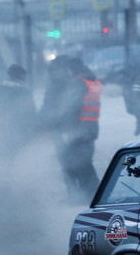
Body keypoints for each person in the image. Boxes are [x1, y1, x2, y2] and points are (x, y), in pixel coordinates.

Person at [39, 56, 102, 202]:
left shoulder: (76, 83)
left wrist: (55, 123)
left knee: (80, 163)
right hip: (75, 130)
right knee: (71, 164)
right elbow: (51, 106)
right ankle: (79, 194)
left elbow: (70, 109)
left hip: (74, 130)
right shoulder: (74, 82)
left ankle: (89, 195)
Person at [0, 64, 37, 142]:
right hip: (21, 127)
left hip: (3, 126)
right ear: (20, 76)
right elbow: (30, 110)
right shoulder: (24, 90)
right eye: (24, 76)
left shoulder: (1, 88)